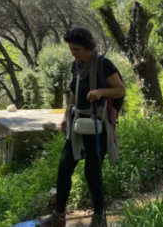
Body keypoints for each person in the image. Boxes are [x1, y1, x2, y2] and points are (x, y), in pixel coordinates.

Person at [36, 28, 126, 227]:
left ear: (88, 47)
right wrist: (65, 116)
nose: (73, 53)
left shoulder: (104, 64)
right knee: (64, 168)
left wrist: (101, 91)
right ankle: (58, 217)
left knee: (92, 173)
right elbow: (73, 92)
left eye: (76, 49)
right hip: (77, 123)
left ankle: (99, 219)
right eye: (71, 49)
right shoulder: (76, 65)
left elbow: (120, 91)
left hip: (98, 126)